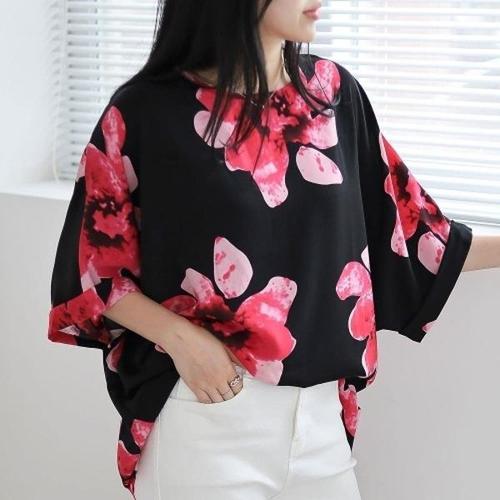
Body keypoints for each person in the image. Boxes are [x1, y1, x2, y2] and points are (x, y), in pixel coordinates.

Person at [47, 0, 474, 499]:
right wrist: (182, 341)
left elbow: (418, 231)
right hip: (207, 418)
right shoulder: (146, 112)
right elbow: (91, 270)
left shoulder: (334, 95)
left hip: (321, 427)